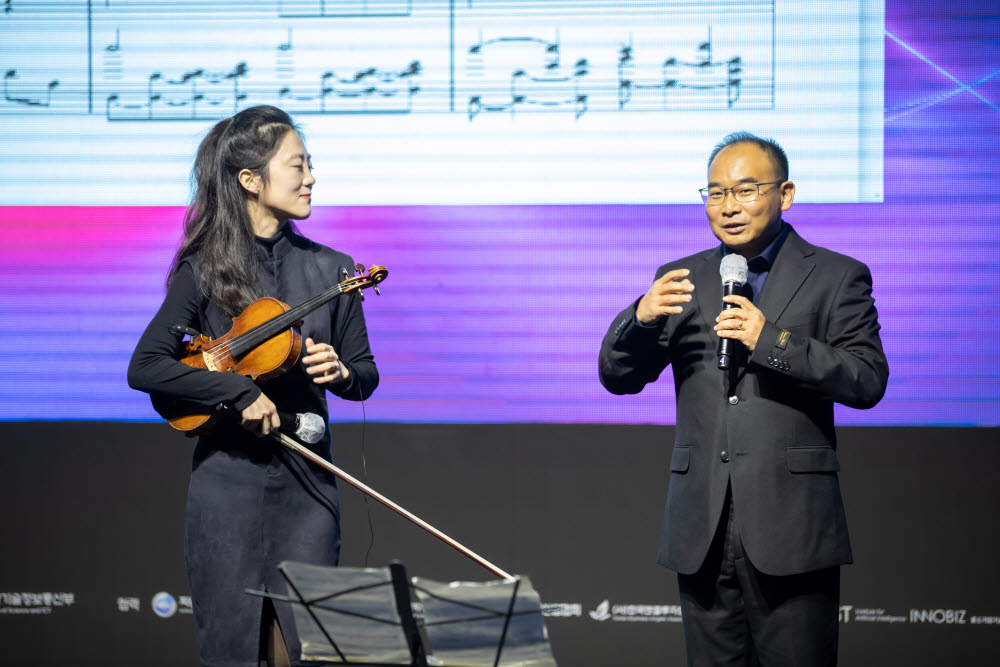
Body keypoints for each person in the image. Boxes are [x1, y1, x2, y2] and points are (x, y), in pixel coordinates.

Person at [598, 132, 888, 666]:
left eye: (746, 190)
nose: (729, 206)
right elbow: (618, 377)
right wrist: (638, 318)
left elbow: (867, 379)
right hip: (701, 526)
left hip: (793, 526)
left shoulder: (835, 275)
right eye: (715, 193)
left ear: (786, 194)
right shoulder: (682, 277)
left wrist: (772, 342)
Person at [128, 105, 378, 667]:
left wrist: (340, 373)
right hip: (227, 489)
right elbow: (145, 366)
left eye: (310, 165)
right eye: (298, 165)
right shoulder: (204, 269)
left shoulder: (335, 270)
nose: (311, 177)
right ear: (250, 179)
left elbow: (365, 376)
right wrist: (236, 392)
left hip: (308, 489)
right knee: (234, 650)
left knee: (305, 652)